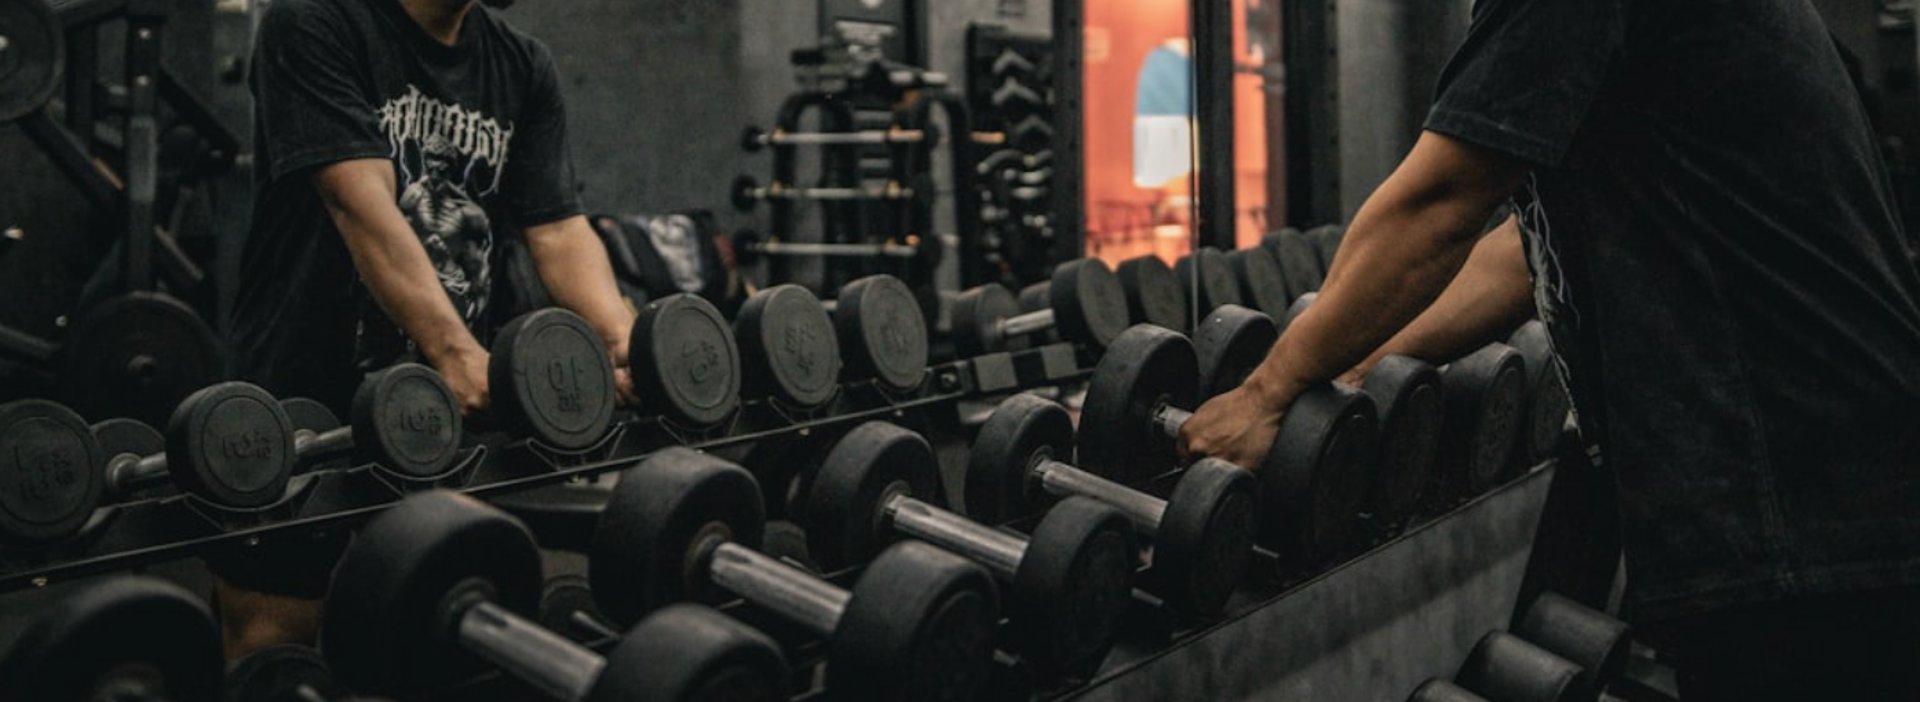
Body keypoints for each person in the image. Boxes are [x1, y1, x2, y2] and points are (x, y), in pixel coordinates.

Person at [1178, 0, 1920, 698]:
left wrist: (1268, 393)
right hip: (1833, 492)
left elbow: (1443, 199)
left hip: (1805, 509)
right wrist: (1355, 365)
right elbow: (1524, 255)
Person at [223, 0, 635, 657]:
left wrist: (622, 339)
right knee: (276, 637)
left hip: (443, 409)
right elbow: (359, 203)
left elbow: (557, 229)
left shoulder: (521, 64)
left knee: (431, 624)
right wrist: (456, 351)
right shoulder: (312, 21)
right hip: (304, 394)